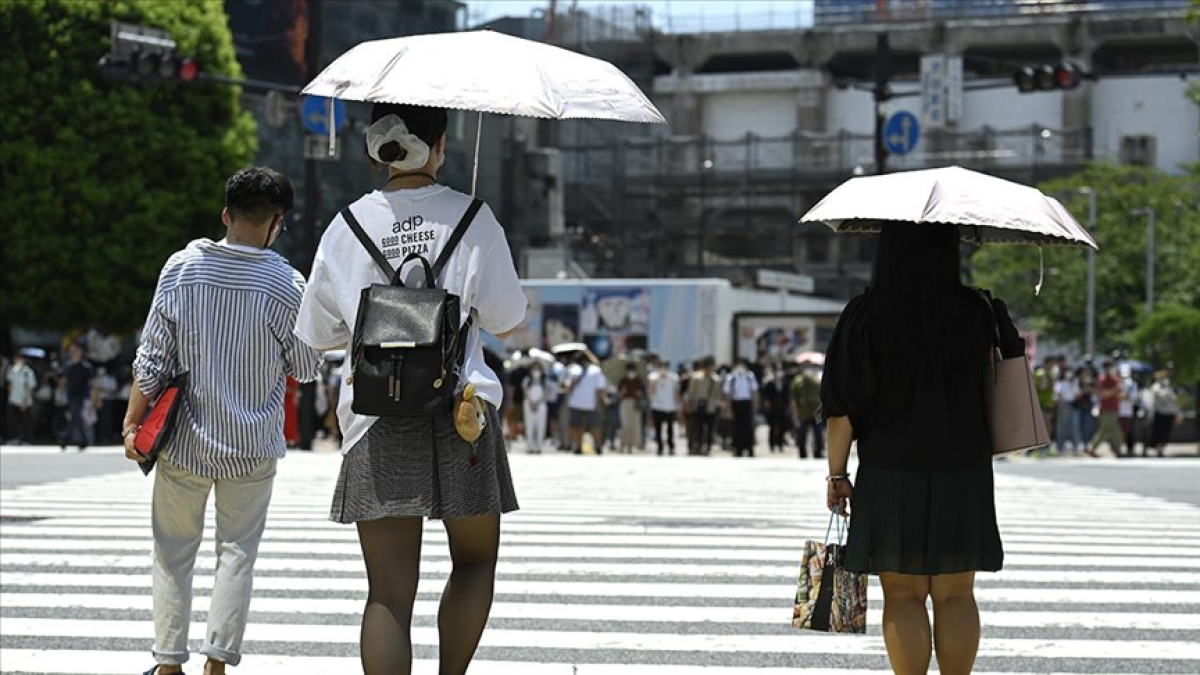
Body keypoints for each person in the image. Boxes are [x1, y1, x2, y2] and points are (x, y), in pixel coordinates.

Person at [293, 103, 527, 675]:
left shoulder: (346, 225)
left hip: (376, 414)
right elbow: (506, 317)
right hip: (461, 407)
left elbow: (318, 333)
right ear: (441, 144)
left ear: (377, 148)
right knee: (474, 562)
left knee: (388, 594)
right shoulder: (473, 217)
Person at [124, 167, 321, 675]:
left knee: (172, 551)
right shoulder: (286, 284)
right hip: (251, 445)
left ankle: (168, 665)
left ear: (226, 215)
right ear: (277, 222)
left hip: (184, 441)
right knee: (237, 552)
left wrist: (132, 424)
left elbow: (152, 358)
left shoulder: (181, 268)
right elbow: (306, 366)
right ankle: (216, 665)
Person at [822, 222, 1015, 675]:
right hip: (963, 469)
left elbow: (841, 407)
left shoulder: (868, 314)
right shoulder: (976, 311)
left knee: (904, 594)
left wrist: (837, 474)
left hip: (890, 470)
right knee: (956, 594)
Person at [564, 351, 608, 455]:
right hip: (576, 402)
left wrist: (598, 402)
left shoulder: (595, 370)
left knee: (594, 426)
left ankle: (597, 445)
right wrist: (573, 383)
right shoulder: (573, 370)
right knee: (576, 426)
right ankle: (578, 446)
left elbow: (599, 388)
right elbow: (567, 387)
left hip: (591, 403)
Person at [683, 357, 721, 455]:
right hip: (698, 405)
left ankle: (708, 446)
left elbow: (718, 394)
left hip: (711, 406)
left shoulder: (716, 379)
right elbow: (691, 392)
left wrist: (718, 404)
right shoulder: (696, 377)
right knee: (697, 427)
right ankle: (697, 445)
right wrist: (689, 404)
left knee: (710, 428)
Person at [723, 358, 759, 457]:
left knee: (748, 427)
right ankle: (737, 448)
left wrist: (754, 406)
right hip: (736, 403)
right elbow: (728, 394)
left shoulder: (750, 376)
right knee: (736, 427)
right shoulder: (731, 378)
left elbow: (754, 392)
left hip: (747, 403)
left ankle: (749, 448)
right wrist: (729, 408)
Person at [1088, 360, 1124, 457]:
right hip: (1106, 409)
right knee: (1109, 430)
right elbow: (1103, 395)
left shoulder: (1115, 379)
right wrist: (1115, 390)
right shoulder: (1102, 380)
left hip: (1114, 408)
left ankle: (1094, 448)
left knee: (1109, 430)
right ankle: (1116, 449)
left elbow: (1120, 393)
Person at [647, 356, 681, 455]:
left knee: (670, 428)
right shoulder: (653, 377)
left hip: (670, 406)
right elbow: (651, 392)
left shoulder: (673, 377)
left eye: (665, 367)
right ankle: (660, 446)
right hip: (657, 406)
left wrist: (678, 405)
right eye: (661, 366)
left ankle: (671, 446)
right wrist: (656, 381)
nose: (663, 369)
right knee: (658, 428)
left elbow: (676, 392)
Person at [61, 343, 92, 451]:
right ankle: (81, 441)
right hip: (70, 394)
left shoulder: (85, 367)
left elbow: (91, 383)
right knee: (75, 417)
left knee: (76, 416)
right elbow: (63, 381)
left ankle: (66, 440)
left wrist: (93, 397)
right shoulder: (68, 366)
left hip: (81, 395)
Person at [790, 364, 824, 459]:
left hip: (817, 412)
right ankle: (803, 453)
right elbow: (793, 399)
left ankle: (818, 452)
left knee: (818, 434)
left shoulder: (818, 380)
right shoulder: (797, 381)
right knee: (802, 434)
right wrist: (795, 413)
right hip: (803, 413)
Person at [1145, 370, 1179, 457]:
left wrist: (1177, 413)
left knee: (1166, 433)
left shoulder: (1169, 388)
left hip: (1169, 413)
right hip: (1160, 413)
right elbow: (1158, 397)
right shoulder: (1156, 387)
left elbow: (1174, 400)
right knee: (1158, 432)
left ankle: (1161, 449)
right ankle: (1157, 449)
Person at [6, 354, 37, 444]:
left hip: (24, 400)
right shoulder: (12, 370)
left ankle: (27, 439)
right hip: (13, 399)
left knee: (26, 421)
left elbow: (30, 388)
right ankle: (14, 438)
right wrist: (10, 396)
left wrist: (25, 401)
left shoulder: (28, 372)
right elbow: (10, 384)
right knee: (12, 420)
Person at [616, 362, 645, 453]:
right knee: (625, 425)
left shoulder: (638, 380)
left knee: (634, 425)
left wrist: (638, 393)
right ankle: (623, 444)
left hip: (635, 403)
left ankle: (631, 446)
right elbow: (619, 395)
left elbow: (642, 394)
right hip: (625, 402)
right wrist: (623, 392)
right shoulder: (623, 380)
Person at [1053, 367, 1082, 456]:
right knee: (1062, 427)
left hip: (1072, 405)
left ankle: (1076, 447)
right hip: (1063, 405)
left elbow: (1077, 394)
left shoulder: (1074, 383)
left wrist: (1072, 385)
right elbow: (1057, 394)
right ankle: (1060, 446)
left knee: (1074, 426)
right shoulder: (1060, 383)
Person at [760, 366, 790, 452]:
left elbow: (787, 397)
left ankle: (780, 444)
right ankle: (772, 445)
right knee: (772, 426)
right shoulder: (770, 384)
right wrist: (767, 405)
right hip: (773, 407)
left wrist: (788, 407)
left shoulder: (785, 384)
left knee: (782, 427)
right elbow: (766, 396)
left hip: (782, 407)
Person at [522, 362, 549, 454]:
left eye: (538, 369)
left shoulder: (544, 381)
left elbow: (546, 393)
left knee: (540, 425)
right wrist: (531, 403)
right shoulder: (527, 380)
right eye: (534, 369)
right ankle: (530, 446)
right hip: (529, 404)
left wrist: (537, 403)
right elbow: (525, 392)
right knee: (529, 424)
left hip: (541, 404)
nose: (536, 371)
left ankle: (538, 446)